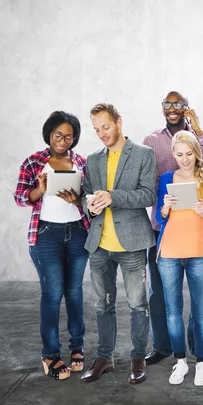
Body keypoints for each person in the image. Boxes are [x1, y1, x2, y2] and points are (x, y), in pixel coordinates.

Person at [80, 103, 156, 385]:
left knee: (137, 303)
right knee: (103, 304)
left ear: (119, 122)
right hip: (99, 244)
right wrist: (89, 203)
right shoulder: (92, 158)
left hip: (132, 244)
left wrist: (113, 197)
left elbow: (148, 195)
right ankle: (104, 357)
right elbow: (85, 194)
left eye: (106, 126)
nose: (102, 133)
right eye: (97, 129)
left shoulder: (144, 154)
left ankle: (138, 357)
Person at [143, 91, 203, 366]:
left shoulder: (197, 141)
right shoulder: (152, 140)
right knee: (161, 295)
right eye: (167, 104)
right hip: (166, 228)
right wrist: (162, 209)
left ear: (187, 109)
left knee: (198, 303)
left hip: (196, 234)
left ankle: (198, 349)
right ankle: (166, 348)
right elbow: (149, 183)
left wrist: (198, 131)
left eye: (178, 104)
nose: (172, 108)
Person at [13, 111, 90, 380]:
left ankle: (77, 347)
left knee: (75, 292)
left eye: (69, 136)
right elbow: (20, 198)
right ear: (49, 134)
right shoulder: (34, 161)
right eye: (58, 135)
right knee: (52, 293)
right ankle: (50, 354)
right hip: (46, 234)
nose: (63, 141)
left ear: (74, 138)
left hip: (78, 232)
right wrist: (40, 189)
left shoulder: (81, 161)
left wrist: (77, 199)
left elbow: (88, 200)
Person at [154, 130, 203, 387]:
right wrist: (165, 208)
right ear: (173, 154)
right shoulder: (166, 179)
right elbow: (160, 219)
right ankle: (180, 360)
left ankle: (201, 361)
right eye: (179, 154)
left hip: (197, 252)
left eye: (189, 154)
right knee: (173, 311)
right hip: (169, 251)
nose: (184, 159)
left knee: (201, 311)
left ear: (197, 153)